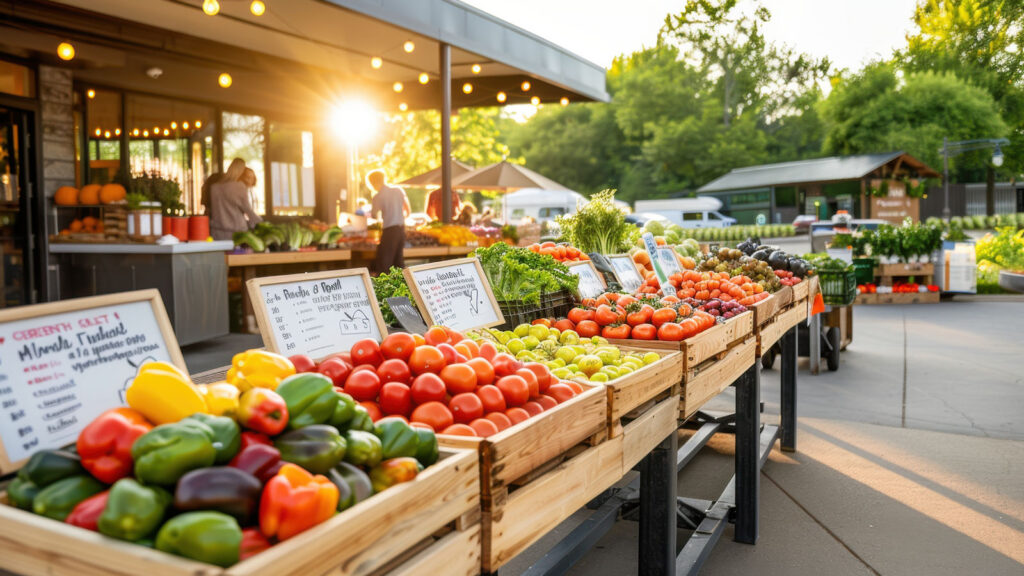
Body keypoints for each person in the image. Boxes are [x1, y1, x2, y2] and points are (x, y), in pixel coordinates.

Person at [367, 168, 410, 273]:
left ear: (373, 183)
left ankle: (382, 288)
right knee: (398, 262)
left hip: (389, 230)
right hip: (401, 229)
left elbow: (373, 215)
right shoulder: (398, 190)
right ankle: (404, 286)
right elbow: (407, 210)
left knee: (384, 264)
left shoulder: (378, 196)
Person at [209, 158, 262, 241]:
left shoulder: (214, 188)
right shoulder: (239, 187)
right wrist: (262, 223)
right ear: (241, 171)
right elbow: (248, 210)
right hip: (237, 234)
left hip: (217, 233)